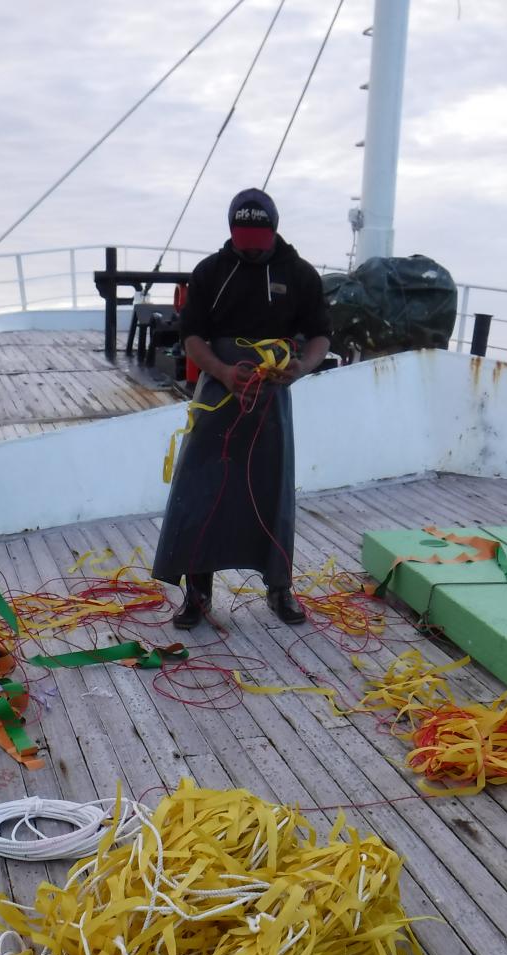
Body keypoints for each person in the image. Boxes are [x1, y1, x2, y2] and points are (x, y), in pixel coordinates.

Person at [152, 188, 332, 629]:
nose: (252, 248)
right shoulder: (210, 272)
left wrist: (301, 367)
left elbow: (320, 334)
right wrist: (221, 371)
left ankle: (279, 587)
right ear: (231, 231)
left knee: (273, 489)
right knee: (201, 487)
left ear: (275, 230)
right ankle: (197, 592)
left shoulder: (300, 274)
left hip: (271, 395)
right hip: (219, 391)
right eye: (243, 239)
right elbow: (192, 336)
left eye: (259, 240)